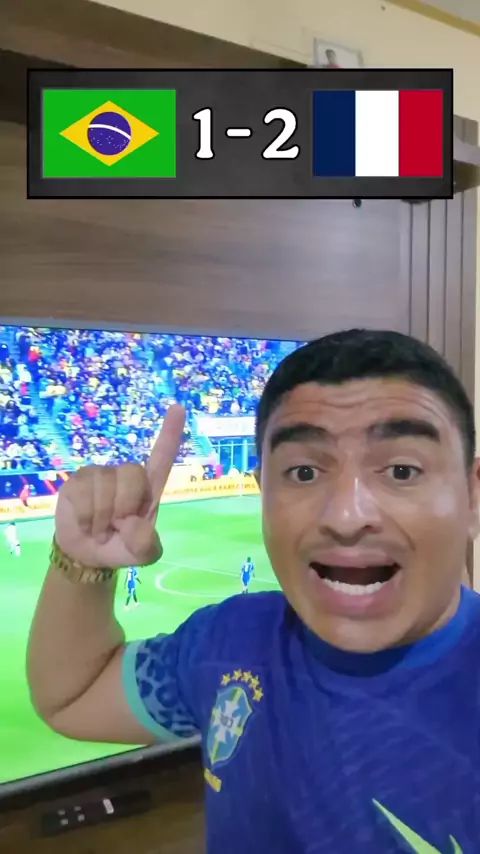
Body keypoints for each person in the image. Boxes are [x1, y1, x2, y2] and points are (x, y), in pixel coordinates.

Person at [27, 329, 480, 853]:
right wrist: (81, 561)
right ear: (263, 492)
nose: (346, 515)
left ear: (471, 497)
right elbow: (73, 697)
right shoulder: (229, 641)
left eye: (401, 470)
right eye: (303, 472)